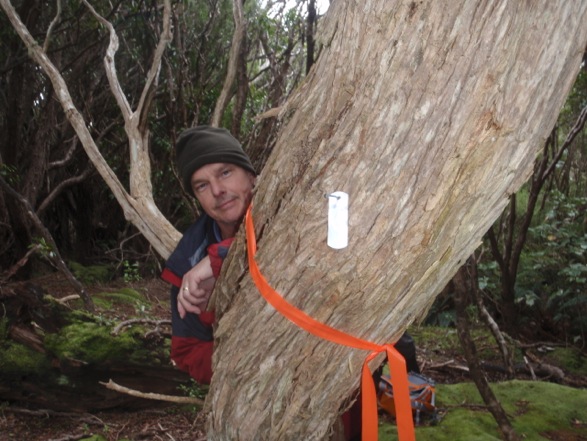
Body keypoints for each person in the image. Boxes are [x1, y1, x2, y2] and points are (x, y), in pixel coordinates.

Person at [160, 125, 256, 384]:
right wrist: (245, 362)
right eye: (202, 185)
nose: (217, 190)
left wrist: (220, 259)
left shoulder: (294, 208)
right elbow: (186, 350)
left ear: (250, 174)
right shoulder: (188, 259)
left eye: (225, 172)